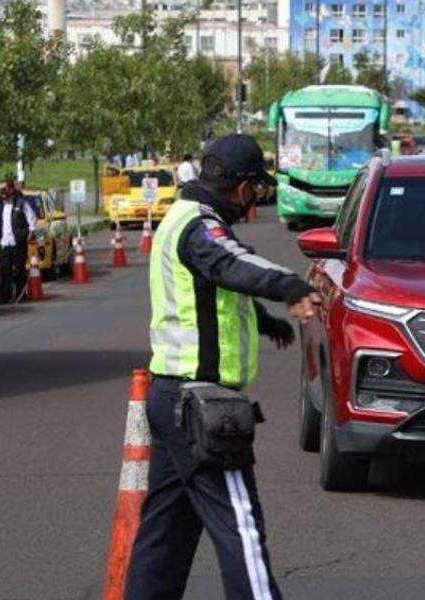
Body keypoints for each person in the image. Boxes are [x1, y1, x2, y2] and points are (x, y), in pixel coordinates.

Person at [124, 134, 321, 600]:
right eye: (256, 188)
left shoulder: (180, 217)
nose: (256, 200)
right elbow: (229, 263)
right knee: (241, 530)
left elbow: (209, 292)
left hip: (171, 397)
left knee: (164, 538)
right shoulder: (201, 225)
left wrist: (261, 319)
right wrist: (289, 287)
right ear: (243, 186)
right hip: (200, 407)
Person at [0, 180, 38, 303]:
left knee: (19, 269)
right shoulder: (1, 206)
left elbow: (32, 217)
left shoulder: (21, 204)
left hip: (18, 242)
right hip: (5, 243)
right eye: (2, 192)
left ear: (12, 190)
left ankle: (21, 295)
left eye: (5, 190)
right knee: (5, 270)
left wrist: (31, 232)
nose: (3, 194)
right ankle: (7, 296)